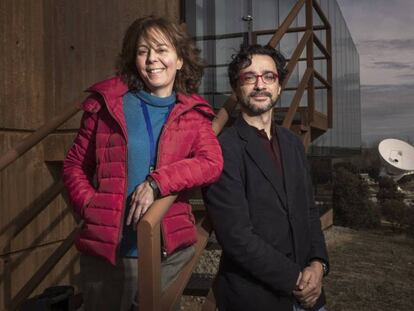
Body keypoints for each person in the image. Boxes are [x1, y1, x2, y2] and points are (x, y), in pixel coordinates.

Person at [63, 16, 223, 310]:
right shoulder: (107, 103)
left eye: (161, 49)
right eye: (142, 51)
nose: (152, 59)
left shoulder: (194, 113)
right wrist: (89, 205)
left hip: (167, 254)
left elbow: (211, 163)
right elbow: (74, 164)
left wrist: (157, 182)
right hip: (110, 254)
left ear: (179, 60)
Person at [203, 44, 329, 311]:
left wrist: (319, 264)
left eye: (268, 76)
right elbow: (236, 236)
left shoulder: (293, 143)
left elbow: (308, 211)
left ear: (279, 86)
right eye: (249, 77)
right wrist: (297, 280)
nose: (260, 85)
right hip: (256, 298)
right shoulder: (223, 148)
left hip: (311, 296)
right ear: (237, 89)